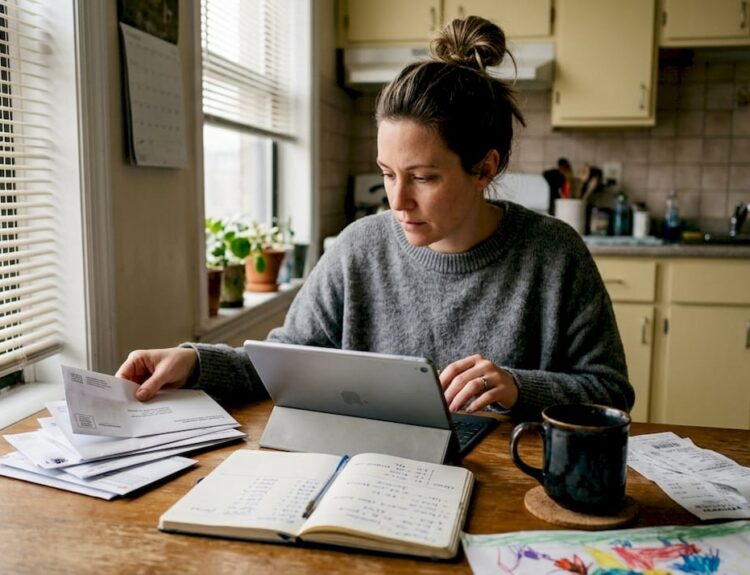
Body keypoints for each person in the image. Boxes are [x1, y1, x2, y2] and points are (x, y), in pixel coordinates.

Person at [117, 16, 633, 420]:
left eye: (423, 177)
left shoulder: (554, 254)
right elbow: (286, 360)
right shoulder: (358, 247)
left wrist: (520, 387)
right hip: (371, 471)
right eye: (387, 173)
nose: (397, 201)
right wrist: (195, 361)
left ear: (484, 167)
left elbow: (610, 391)